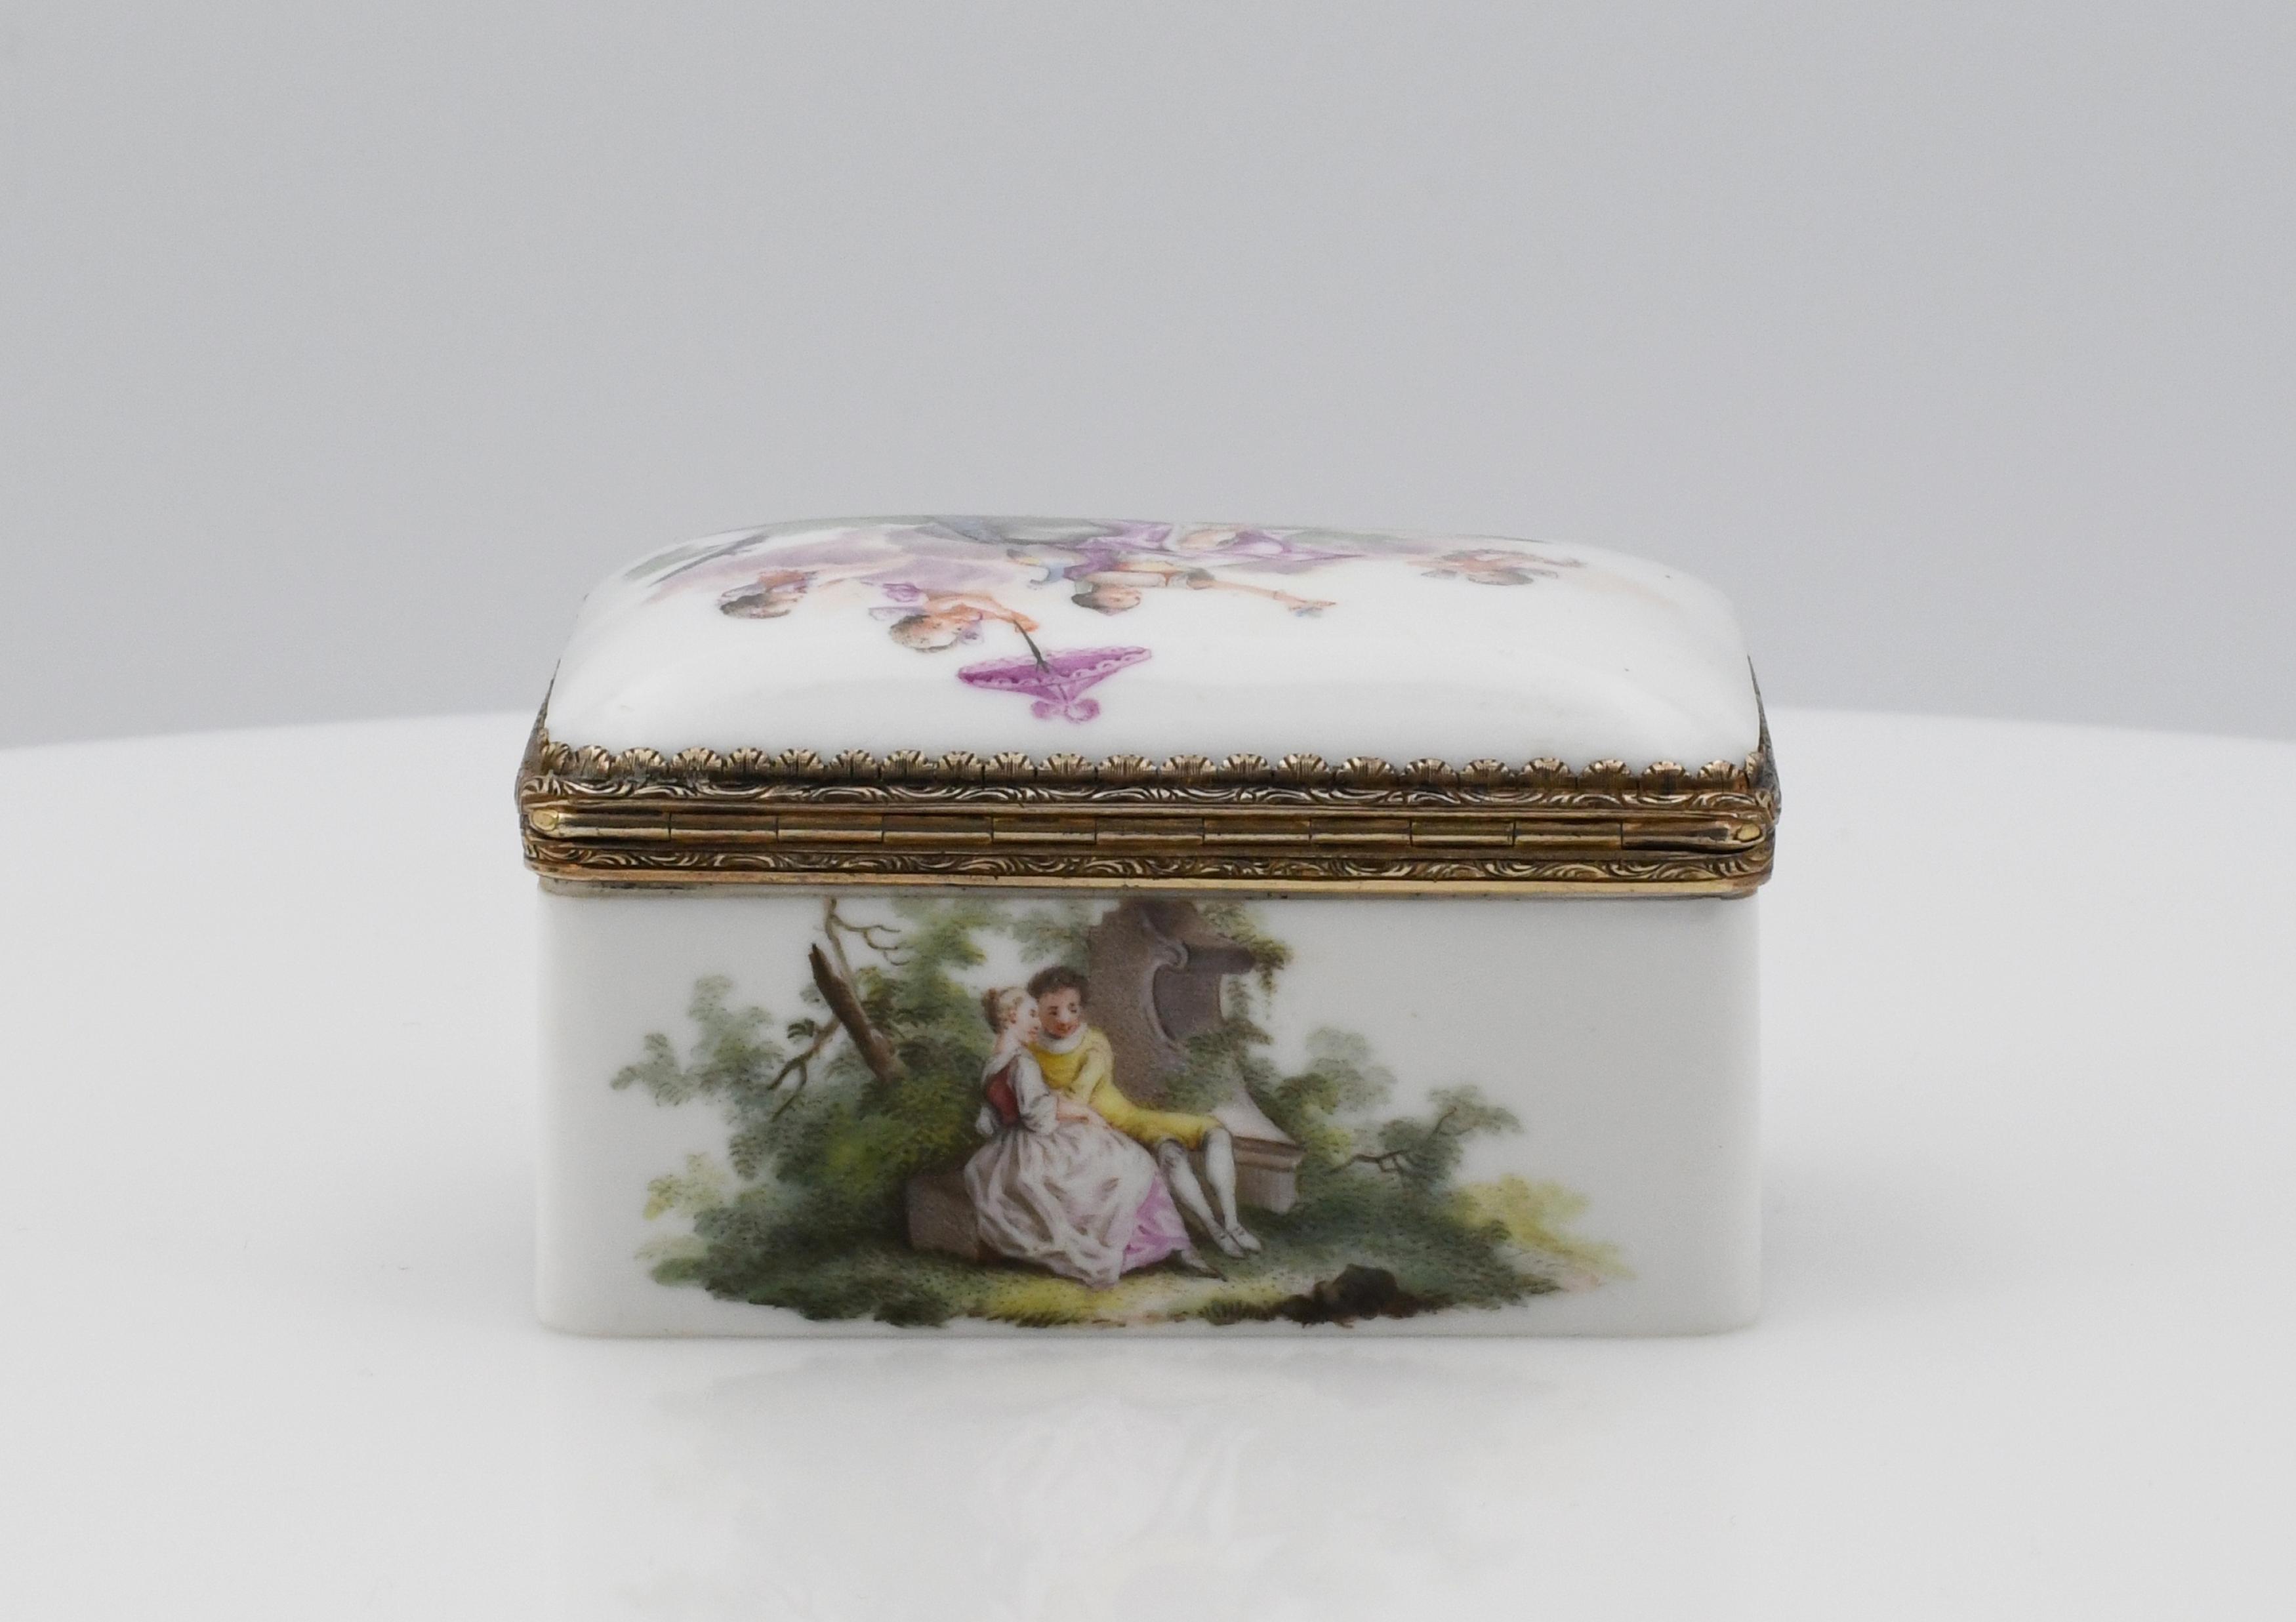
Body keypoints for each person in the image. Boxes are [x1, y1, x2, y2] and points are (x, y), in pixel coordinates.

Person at [962, 989, 1201, 1289]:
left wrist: (1057, 1103)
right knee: (1131, 1161)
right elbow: (1037, 1116)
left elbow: (995, 1119)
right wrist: (1083, 1112)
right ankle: (1166, 1245)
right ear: (1012, 1017)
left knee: (1115, 1158)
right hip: (1037, 1144)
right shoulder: (1021, 1062)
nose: (1038, 1023)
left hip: (1007, 1149)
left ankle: (1167, 1244)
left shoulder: (993, 1063)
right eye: (1032, 1015)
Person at [1023, 966, 1262, 1259]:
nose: (1065, 1019)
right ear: (1037, 1011)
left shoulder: (1093, 1041)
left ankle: (1233, 1223)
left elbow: (1080, 1092)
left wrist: (1056, 1098)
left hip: (1128, 1117)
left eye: (1073, 1009)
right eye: (1054, 1011)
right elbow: (1071, 1100)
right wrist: (1060, 1102)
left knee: (1216, 1131)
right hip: (1099, 1132)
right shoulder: (1030, 1051)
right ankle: (1215, 1230)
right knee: (1171, 1152)